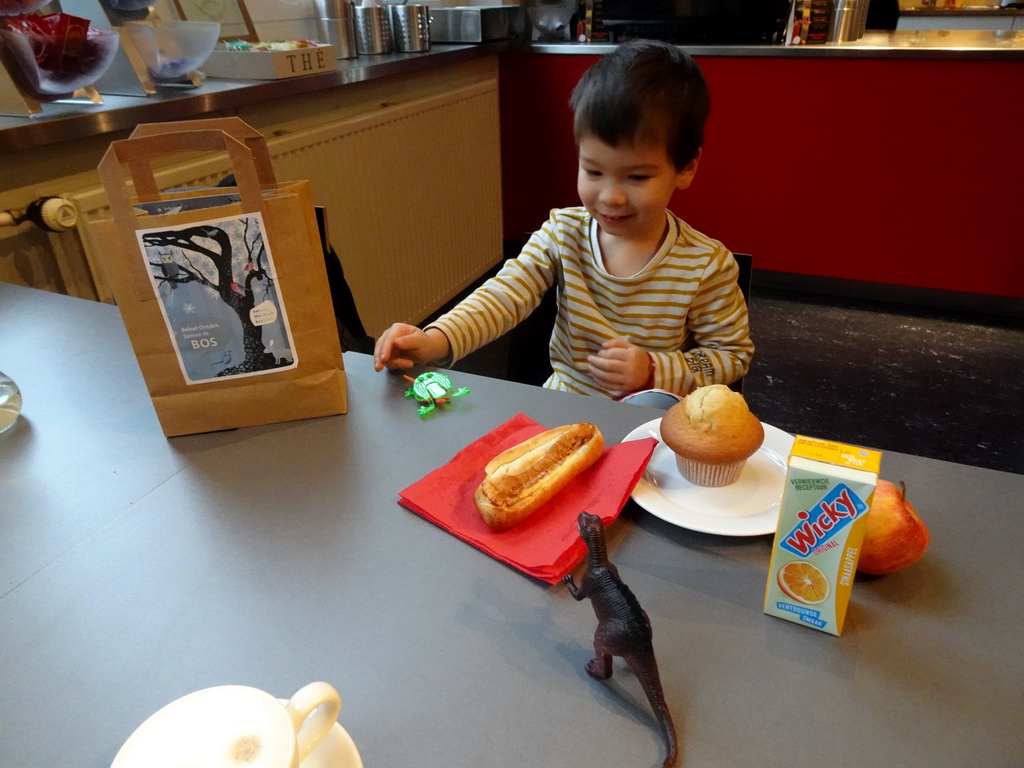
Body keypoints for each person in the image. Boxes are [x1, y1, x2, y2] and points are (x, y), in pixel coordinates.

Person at [373, 40, 753, 399]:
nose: (610, 196)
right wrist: (436, 339)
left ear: (685, 169)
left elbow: (729, 355)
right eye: (593, 171)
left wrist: (655, 369)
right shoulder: (562, 233)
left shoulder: (705, 265)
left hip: (649, 423)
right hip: (562, 407)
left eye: (637, 177)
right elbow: (506, 295)